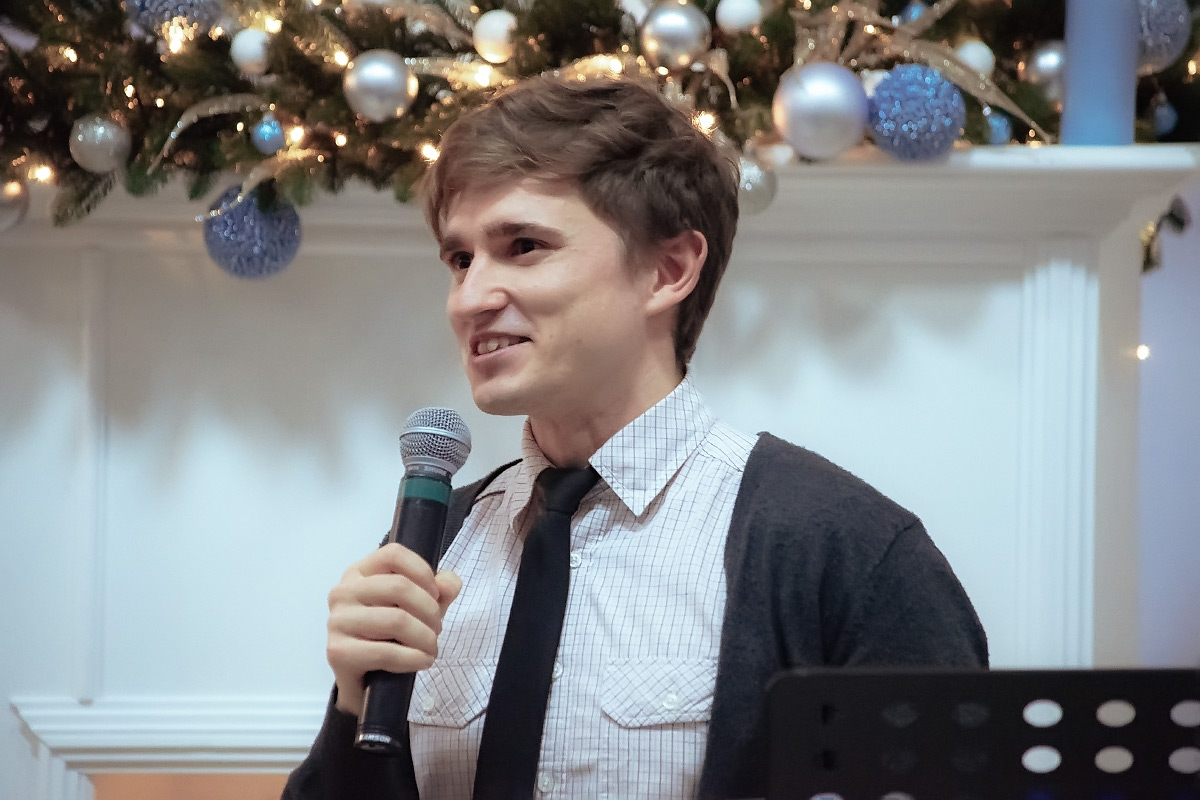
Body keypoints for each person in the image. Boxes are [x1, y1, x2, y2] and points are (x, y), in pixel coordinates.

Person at [283, 74, 987, 800]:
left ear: (667, 270)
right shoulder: (439, 542)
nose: (470, 299)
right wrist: (351, 709)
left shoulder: (843, 545)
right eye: (460, 260)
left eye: (523, 245)